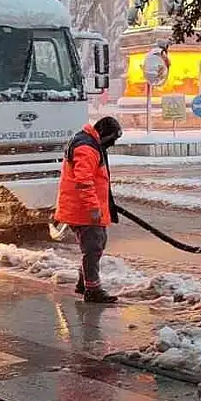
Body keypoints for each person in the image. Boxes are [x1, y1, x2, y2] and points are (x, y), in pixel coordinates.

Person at [55, 116, 122, 303]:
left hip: (82, 207)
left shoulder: (89, 143)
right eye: (112, 140)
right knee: (92, 248)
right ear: (104, 135)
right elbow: (83, 181)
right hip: (83, 210)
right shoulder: (86, 148)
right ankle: (92, 290)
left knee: (96, 245)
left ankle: (84, 282)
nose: (113, 144)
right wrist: (93, 208)